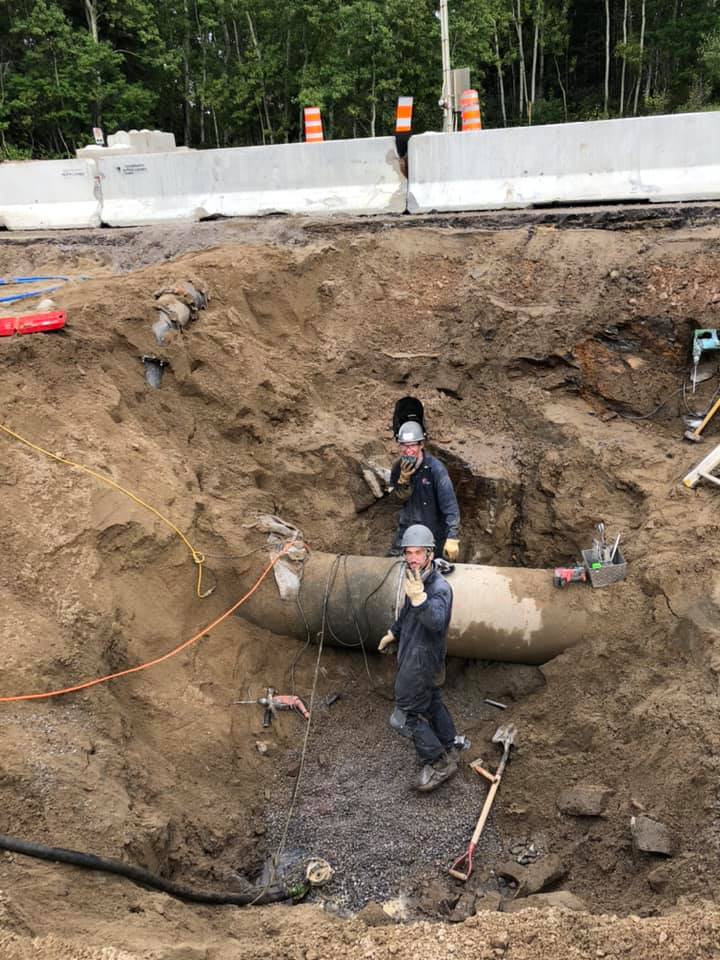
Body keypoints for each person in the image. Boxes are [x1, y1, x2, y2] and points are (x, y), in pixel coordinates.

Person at [378, 524, 459, 793]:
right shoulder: (416, 578)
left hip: (421, 661)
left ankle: (438, 762)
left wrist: (421, 600)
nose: (412, 557)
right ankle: (449, 743)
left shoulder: (439, 588)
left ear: (429, 554)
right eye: (408, 552)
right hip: (417, 655)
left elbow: (435, 622)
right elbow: (407, 613)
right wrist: (393, 632)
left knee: (404, 717)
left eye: (418, 552)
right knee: (433, 702)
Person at [389, 420, 460, 562]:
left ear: (421, 445)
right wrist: (403, 483)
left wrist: (452, 537)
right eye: (404, 446)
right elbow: (394, 502)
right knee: (395, 568)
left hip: (432, 533)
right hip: (407, 529)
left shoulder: (436, 470)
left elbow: (451, 507)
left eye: (412, 446)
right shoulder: (398, 467)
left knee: (431, 571)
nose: (408, 450)